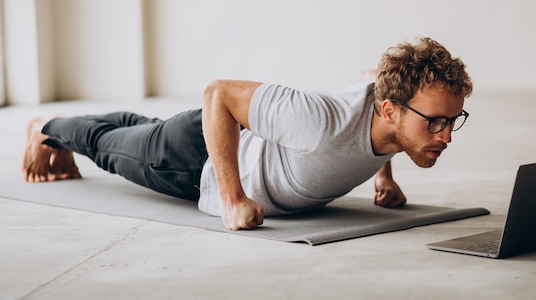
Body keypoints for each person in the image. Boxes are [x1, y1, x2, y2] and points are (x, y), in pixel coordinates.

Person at [22, 37, 473, 231]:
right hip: (190, 159)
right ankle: (44, 129)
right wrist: (232, 199)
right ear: (391, 110)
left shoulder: (389, 107)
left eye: (452, 120)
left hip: (201, 135)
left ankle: (79, 128)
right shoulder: (319, 119)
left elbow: (370, 76)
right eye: (434, 122)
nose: (445, 136)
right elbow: (218, 93)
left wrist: (383, 177)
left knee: (136, 130)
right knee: (108, 148)